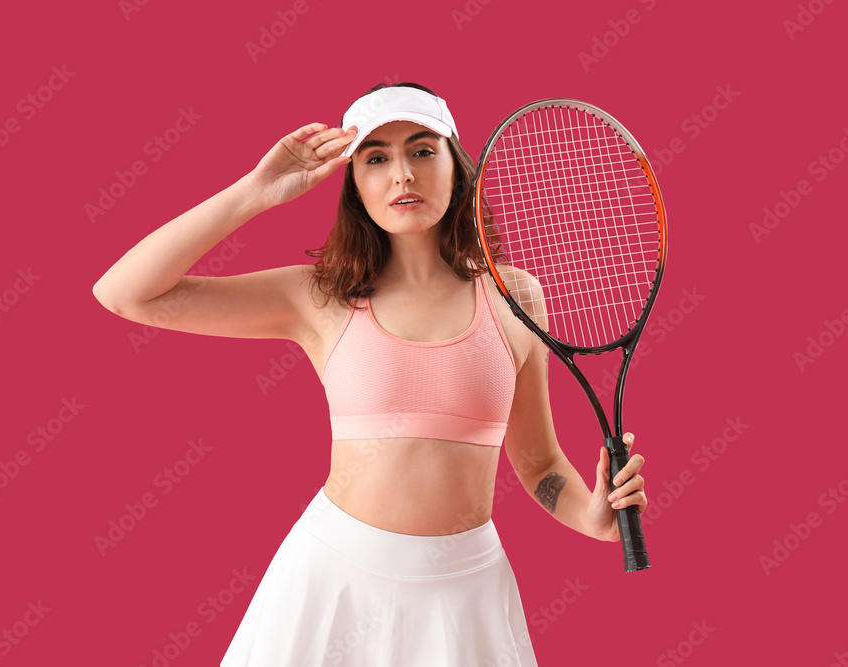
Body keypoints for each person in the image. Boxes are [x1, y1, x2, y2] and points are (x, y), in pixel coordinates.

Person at [92, 82, 648, 667]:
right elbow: (127, 295)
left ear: (455, 167)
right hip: (334, 581)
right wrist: (255, 193)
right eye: (376, 158)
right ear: (353, 183)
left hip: (466, 595)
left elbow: (538, 465)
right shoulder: (320, 297)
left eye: (422, 150)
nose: (402, 174)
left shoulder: (517, 298)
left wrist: (591, 517)